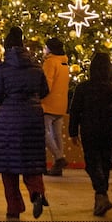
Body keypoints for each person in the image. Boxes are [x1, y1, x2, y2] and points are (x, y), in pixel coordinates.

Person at [0, 26, 50, 220]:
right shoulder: (36, 67)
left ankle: (14, 208)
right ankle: (37, 192)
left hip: (9, 118)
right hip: (33, 117)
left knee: (9, 166)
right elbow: (44, 90)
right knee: (31, 160)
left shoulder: (3, 68)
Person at [69, 52, 112, 215]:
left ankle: (101, 194)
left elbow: (75, 111)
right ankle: (101, 196)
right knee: (105, 161)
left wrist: (73, 131)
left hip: (89, 127)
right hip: (108, 127)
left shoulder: (83, 88)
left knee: (92, 162)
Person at [40, 36, 70, 176]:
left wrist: (39, 97)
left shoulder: (50, 62)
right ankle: (58, 167)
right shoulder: (64, 63)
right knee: (57, 134)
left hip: (49, 103)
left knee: (43, 131)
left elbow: (47, 83)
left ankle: (59, 157)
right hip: (61, 103)